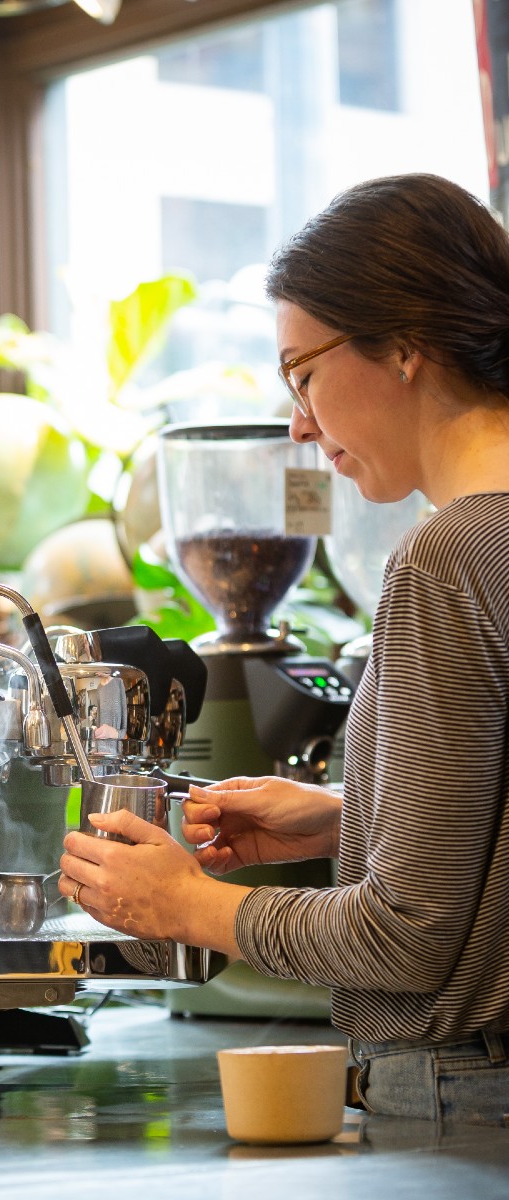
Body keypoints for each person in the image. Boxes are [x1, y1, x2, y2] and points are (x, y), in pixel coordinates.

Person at [58, 173, 509, 1127]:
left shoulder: (450, 556)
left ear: (406, 344)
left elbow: (405, 938)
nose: (301, 425)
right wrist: (355, 814)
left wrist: (189, 906)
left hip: (469, 1092)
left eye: (303, 374)